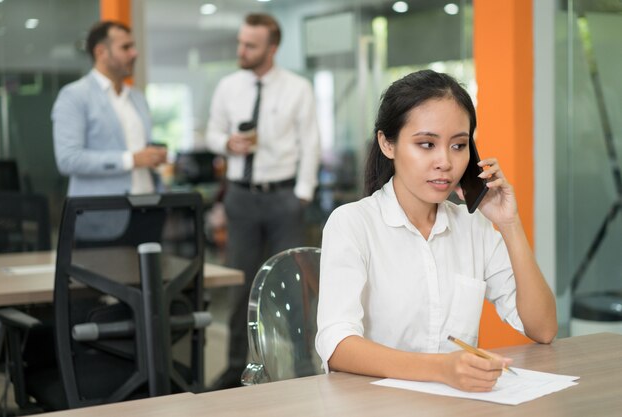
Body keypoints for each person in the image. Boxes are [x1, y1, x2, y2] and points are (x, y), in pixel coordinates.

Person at [315, 70, 557, 392]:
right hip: (373, 405)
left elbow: (543, 328)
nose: (445, 161)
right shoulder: (352, 224)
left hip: (456, 404)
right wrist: (441, 368)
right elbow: (336, 344)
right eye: (426, 144)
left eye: (458, 146)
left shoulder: (474, 227)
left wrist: (509, 224)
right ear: (388, 144)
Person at [205, 13, 321, 390]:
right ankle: (234, 370)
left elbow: (311, 143)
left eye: (250, 45)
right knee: (240, 288)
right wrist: (226, 144)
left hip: (284, 198)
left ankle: (300, 372)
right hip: (241, 198)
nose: (241, 50)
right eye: (240, 42)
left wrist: (301, 195)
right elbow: (211, 132)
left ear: (271, 48)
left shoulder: (297, 88)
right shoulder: (228, 87)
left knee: (294, 287)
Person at [52, 21, 167, 197]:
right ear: (101, 52)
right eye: (126, 47)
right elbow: (69, 160)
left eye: (133, 46)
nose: (134, 53)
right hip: (102, 214)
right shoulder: (74, 96)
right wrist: (131, 160)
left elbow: (138, 148)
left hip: (149, 205)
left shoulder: (137, 98)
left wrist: (153, 156)